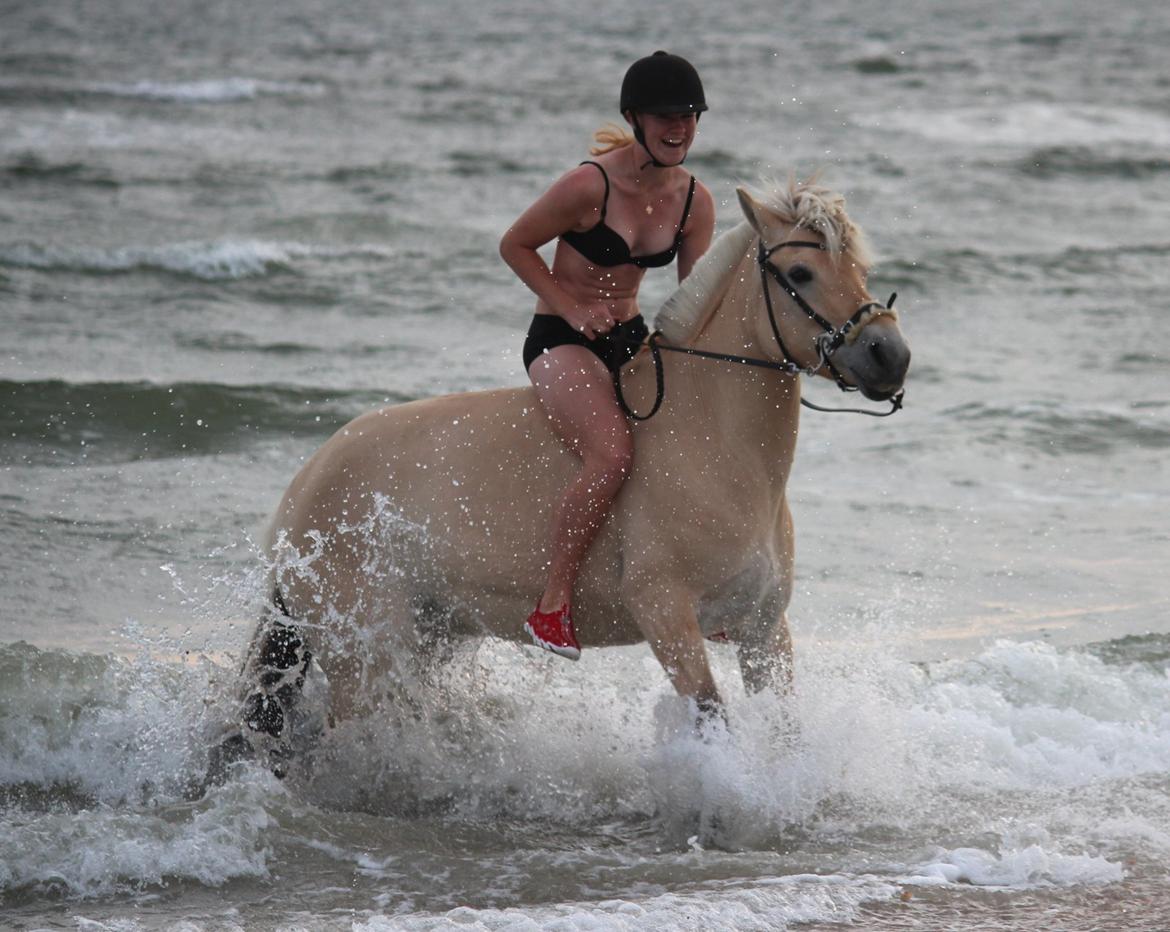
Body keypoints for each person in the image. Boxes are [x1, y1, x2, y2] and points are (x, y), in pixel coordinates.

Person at [499, 51, 716, 660]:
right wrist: (569, 308)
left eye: (689, 116)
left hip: (628, 337)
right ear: (634, 118)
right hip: (561, 339)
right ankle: (552, 606)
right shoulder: (588, 184)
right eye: (665, 116)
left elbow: (693, 295)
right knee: (613, 453)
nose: (678, 128)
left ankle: (698, 591)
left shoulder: (695, 200)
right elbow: (514, 245)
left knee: (692, 440)